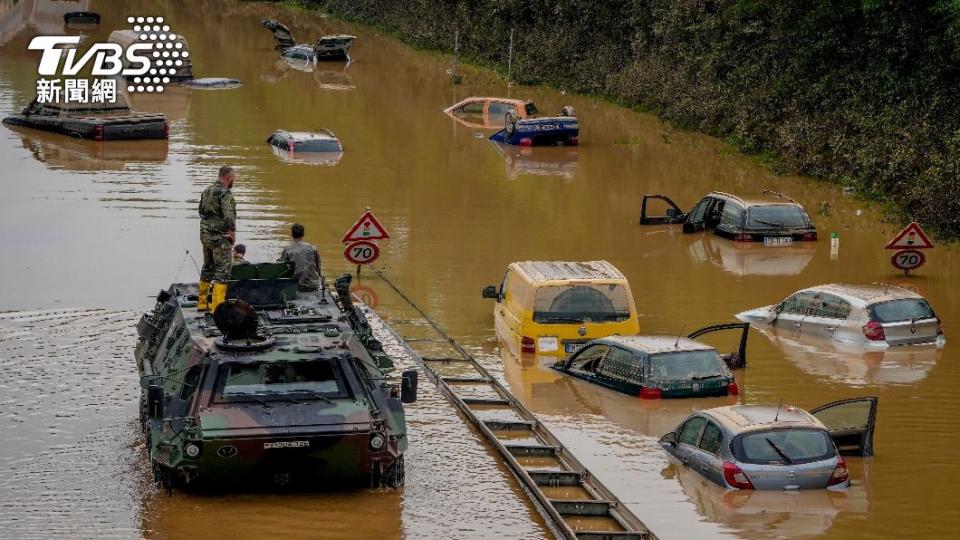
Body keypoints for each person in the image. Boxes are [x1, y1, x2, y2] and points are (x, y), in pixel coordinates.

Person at [197, 166, 236, 312]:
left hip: (205, 236)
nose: (234, 181)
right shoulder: (225, 194)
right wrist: (231, 233)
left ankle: (202, 303)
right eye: (234, 178)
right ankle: (217, 308)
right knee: (223, 271)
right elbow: (229, 216)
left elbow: (201, 211)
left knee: (208, 267)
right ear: (228, 178)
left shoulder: (206, 191)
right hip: (220, 238)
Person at [278, 223, 321, 291]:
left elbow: (281, 268)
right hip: (313, 284)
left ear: (292, 234)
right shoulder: (312, 248)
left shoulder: (287, 249)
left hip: (296, 286)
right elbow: (318, 267)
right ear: (303, 234)